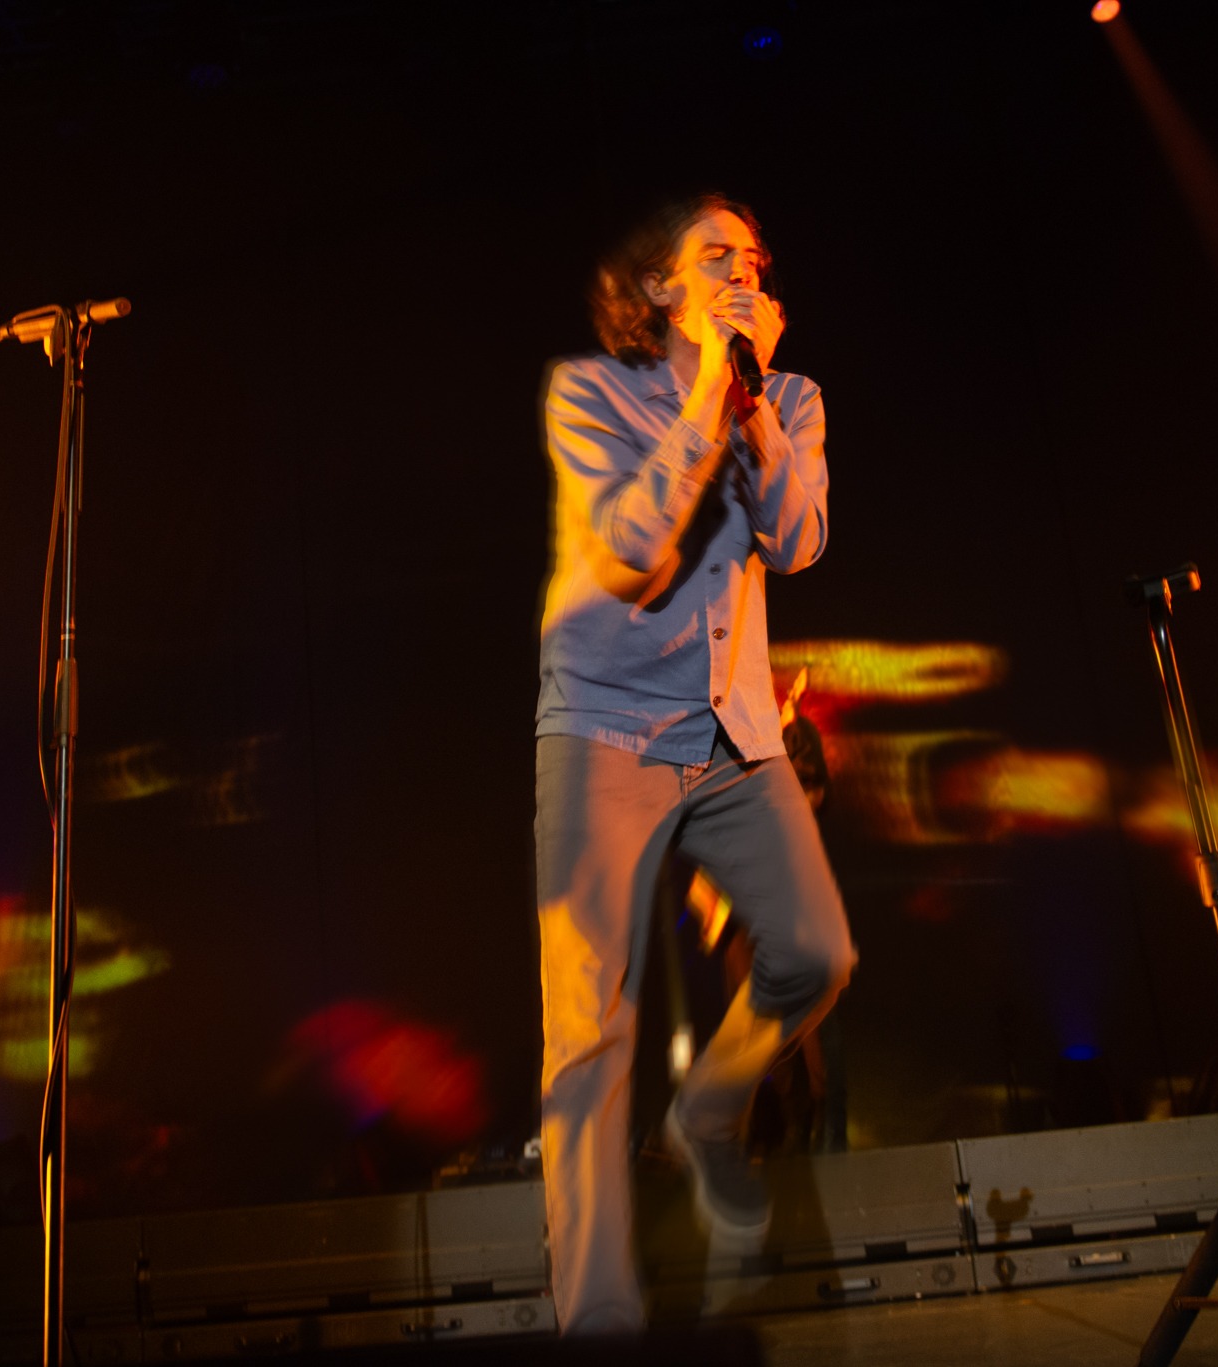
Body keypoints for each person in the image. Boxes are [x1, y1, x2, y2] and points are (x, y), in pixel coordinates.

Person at [533, 193, 855, 1336]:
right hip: (601, 728)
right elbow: (630, 551)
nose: (740, 274)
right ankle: (596, 1321)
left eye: (753, 261)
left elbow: (797, 538)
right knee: (589, 1032)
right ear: (660, 289)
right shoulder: (589, 392)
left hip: (730, 730)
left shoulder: (791, 398)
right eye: (713, 257)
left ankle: (708, 1109)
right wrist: (709, 393)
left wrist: (750, 409)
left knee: (814, 951)